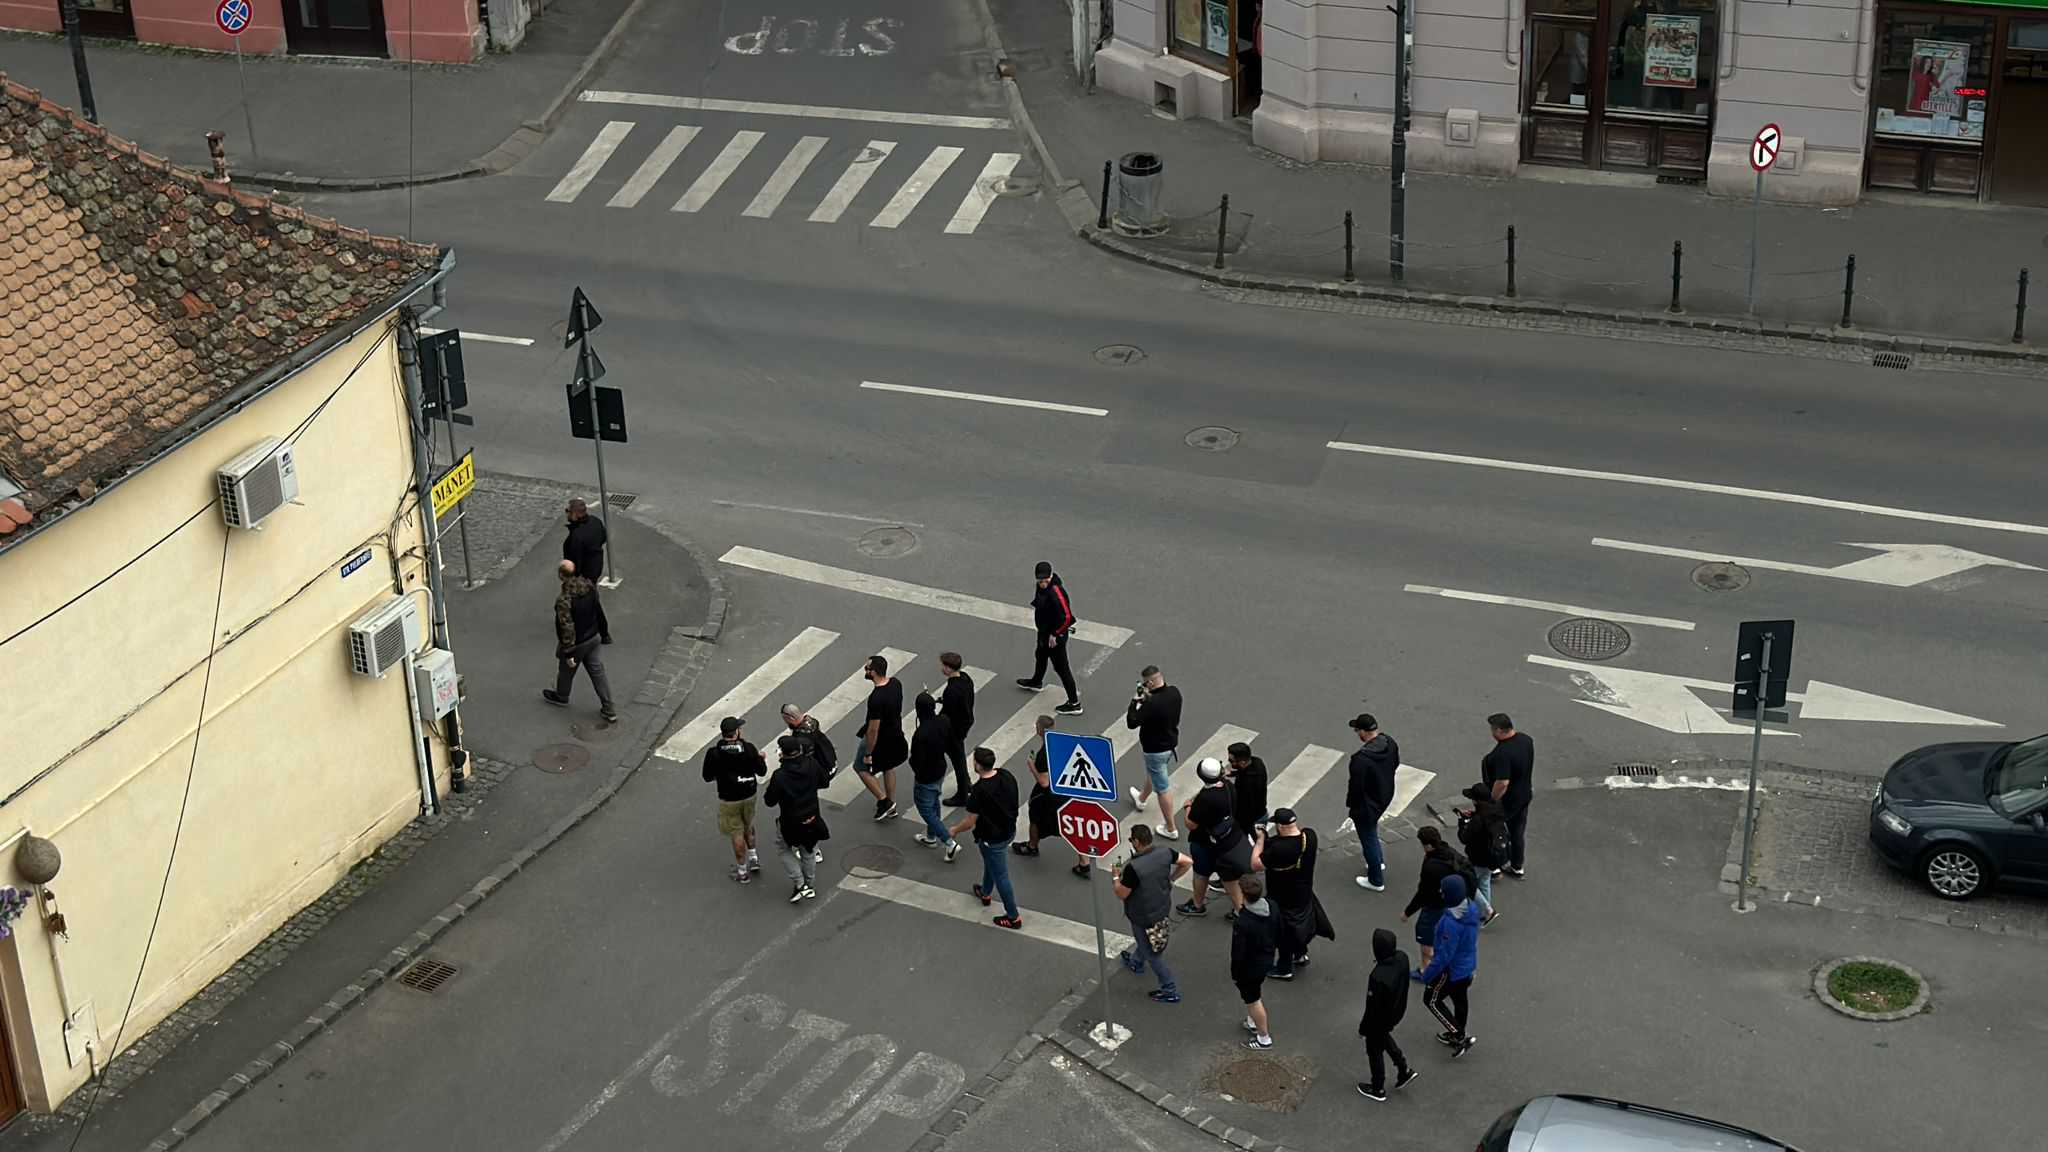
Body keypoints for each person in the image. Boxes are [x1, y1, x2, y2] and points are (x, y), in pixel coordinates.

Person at [1251, 808, 1331, 979]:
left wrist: (1260, 840)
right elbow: (1290, 842)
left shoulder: (1280, 849)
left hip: (1282, 896)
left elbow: (1255, 864)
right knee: (1300, 924)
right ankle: (1301, 954)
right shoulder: (1309, 836)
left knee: (1284, 932)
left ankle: (1284, 968)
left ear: (1280, 825)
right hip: (1303, 892)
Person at [1115, 823, 1192, 1003]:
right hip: (1162, 907)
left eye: (1131, 840)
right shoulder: (1165, 852)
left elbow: (1121, 893)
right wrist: (1171, 879)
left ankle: (1169, 989)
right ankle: (1136, 961)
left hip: (1142, 915)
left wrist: (1115, 876)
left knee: (1152, 953)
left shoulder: (1133, 868)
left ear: (1136, 841)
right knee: (1147, 942)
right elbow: (1187, 862)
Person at [951, 747, 1024, 929]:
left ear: (977, 765)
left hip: (992, 838)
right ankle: (985, 892)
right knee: (991, 863)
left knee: (1001, 876)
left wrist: (954, 830)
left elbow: (970, 821)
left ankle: (1013, 916)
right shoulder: (1006, 775)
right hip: (1008, 830)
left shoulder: (979, 791)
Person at [1177, 759, 1252, 918]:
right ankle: (1240, 910)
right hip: (1228, 839)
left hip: (1205, 843)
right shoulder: (1228, 786)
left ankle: (1197, 905)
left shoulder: (1205, 798)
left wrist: (1188, 807)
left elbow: (1191, 824)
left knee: (1201, 873)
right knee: (1228, 877)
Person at [543, 559, 617, 722]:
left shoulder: (564, 600)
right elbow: (599, 611)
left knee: (566, 670)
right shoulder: (589, 587)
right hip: (593, 637)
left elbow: (566, 628)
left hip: (578, 643)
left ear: (561, 576)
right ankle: (608, 707)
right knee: (598, 672)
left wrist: (569, 652)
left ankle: (561, 696)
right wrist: (604, 633)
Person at [763, 734, 829, 902]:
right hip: (812, 817)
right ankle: (809, 884)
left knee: (783, 848)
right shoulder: (811, 764)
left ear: (782, 754)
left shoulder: (780, 775)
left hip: (790, 822)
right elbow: (824, 782)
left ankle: (800, 885)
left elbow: (769, 801)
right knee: (808, 851)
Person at [1356, 928, 1420, 1101]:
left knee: (1374, 1050)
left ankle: (1378, 1088)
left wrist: (1363, 1028)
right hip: (1396, 1011)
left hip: (1379, 1019)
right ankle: (1403, 1068)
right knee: (1384, 1038)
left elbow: (1372, 1008)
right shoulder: (1402, 958)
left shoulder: (1378, 977)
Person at [1421, 874, 1480, 1058]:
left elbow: (1444, 956)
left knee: (1431, 1000)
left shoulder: (1450, 924)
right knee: (1460, 999)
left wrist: (1427, 974)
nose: (1440, 892)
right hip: (1466, 966)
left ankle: (1458, 1034)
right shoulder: (1471, 909)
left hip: (1452, 970)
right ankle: (1457, 1030)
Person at [702, 716, 764, 883]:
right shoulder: (749, 748)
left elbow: (707, 777)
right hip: (749, 794)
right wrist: (760, 758)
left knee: (736, 833)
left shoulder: (714, 753)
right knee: (748, 825)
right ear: (736, 732)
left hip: (729, 799)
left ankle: (742, 872)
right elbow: (762, 771)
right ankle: (754, 858)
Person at [1016, 561, 1083, 716]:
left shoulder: (1056, 592)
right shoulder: (1041, 587)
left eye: (1046, 580)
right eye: (1040, 581)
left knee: (1061, 668)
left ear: (1051, 576)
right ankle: (1036, 681)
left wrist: (1056, 633)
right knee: (1040, 655)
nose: (1043, 584)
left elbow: (1068, 618)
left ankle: (1074, 703)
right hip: (1044, 632)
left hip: (1055, 636)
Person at [1125, 665, 1184, 839]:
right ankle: (1142, 799)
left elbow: (1132, 722)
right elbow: (1163, 705)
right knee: (1155, 771)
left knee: (1163, 789)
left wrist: (1135, 701)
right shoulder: (1175, 692)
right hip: (1170, 743)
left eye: (1145, 683)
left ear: (1150, 682)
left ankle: (1171, 828)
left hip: (1154, 749)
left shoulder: (1151, 704)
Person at [1345, 714, 1398, 890]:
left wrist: (1352, 807)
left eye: (1356, 730)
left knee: (1368, 837)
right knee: (1371, 832)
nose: (1356, 734)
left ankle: (1375, 879)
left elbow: (1356, 788)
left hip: (1367, 804)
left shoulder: (1360, 759)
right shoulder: (1389, 743)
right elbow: (1395, 764)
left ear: (1363, 732)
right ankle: (1378, 862)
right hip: (1385, 795)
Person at [1400, 827, 1462, 977]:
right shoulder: (1450, 853)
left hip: (1435, 905)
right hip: (1451, 903)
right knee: (1442, 933)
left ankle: (1425, 970)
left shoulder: (1431, 866)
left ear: (1428, 845)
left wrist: (1407, 912)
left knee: (1425, 936)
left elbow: (1423, 893)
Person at [908, 692, 962, 862]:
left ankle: (949, 842)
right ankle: (931, 836)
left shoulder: (920, 734)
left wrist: (917, 770)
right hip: (940, 768)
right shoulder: (944, 721)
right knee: (934, 800)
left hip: (926, 776)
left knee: (925, 808)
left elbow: (916, 760)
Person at [853, 655, 907, 821]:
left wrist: (869, 753)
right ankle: (892, 804)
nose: (865, 670)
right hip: (896, 734)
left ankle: (884, 801)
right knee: (888, 767)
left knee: (860, 768)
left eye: (867, 668)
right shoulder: (896, 683)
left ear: (874, 672)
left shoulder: (876, 698)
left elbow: (873, 730)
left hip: (880, 740)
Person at [1481, 714, 1535, 879]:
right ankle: (1517, 867)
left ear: (1498, 730)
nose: (1491, 732)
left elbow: (1502, 782)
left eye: (1492, 729)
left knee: (1492, 831)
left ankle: (1494, 867)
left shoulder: (1503, 753)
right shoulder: (1526, 740)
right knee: (1517, 833)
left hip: (1507, 800)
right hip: (1524, 795)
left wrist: (1492, 800)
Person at [780, 703, 834, 865]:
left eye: (785, 719)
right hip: (828, 765)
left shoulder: (802, 739)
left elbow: (804, 761)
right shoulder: (811, 723)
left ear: (790, 718)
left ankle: (814, 849)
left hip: (817, 774)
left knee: (807, 810)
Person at [1230, 875, 1278, 1049]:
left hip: (1250, 967)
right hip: (1266, 958)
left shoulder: (1243, 922)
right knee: (1254, 995)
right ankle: (1252, 1022)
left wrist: (1235, 973)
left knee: (1253, 999)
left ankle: (1263, 1038)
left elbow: (1238, 953)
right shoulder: (1271, 906)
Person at [1456, 782, 1508, 925]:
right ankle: (1483, 913)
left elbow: (1464, 838)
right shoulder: (1496, 809)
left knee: (1467, 882)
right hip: (1494, 856)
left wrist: (1462, 822)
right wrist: (1474, 814)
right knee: (1484, 881)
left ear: (1476, 800)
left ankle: (1488, 911)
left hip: (1479, 856)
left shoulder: (1478, 820)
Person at [561, 498, 611, 644]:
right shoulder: (595, 521)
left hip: (584, 573)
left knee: (590, 599)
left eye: (568, 511)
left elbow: (574, 560)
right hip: (596, 566)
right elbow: (603, 537)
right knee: (590, 597)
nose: (566, 514)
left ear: (575, 514)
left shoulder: (576, 537)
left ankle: (603, 632)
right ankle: (602, 632)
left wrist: (572, 576)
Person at [937, 652, 977, 805]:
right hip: (965, 723)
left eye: (943, 665)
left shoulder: (952, 690)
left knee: (958, 760)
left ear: (948, 668)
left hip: (954, 729)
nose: (941, 668)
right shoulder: (965, 678)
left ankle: (962, 795)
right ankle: (966, 785)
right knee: (958, 757)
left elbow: (947, 713)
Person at [1227, 742, 1268, 843]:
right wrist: (1233, 773)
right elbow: (1245, 771)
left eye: (1231, 761)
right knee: (1263, 844)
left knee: (1243, 844)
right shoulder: (1257, 762)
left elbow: (1244, 805)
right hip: (1261, 814)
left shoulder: (1247, 783)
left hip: (1248, 820)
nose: (1230, 763)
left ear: (1242, 762)